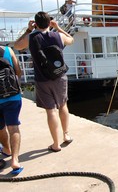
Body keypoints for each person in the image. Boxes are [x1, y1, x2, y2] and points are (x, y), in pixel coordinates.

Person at [14, 11, 74, 152]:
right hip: (59, 76)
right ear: (49, 22)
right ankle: (66, 135)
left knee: (51, 111)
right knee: (63, 105)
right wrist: (58, 27)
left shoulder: (31, 37)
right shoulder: (58, 35)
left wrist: (29, 29)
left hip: (42, 79)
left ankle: (56, 144)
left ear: (35, 23)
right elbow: (71, 40)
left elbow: (16, 46)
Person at [0, 45, 23, 175]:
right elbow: (18, 71)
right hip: (12, 96)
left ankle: (7, 149)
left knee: (1, 127)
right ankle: (15, 160)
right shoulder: (8, 51)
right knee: (13, 127)